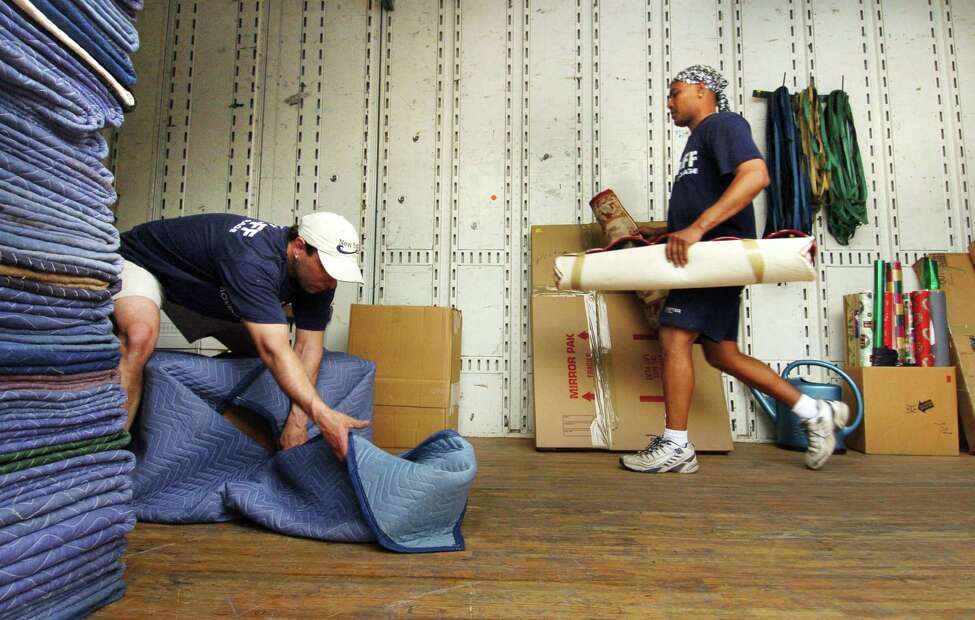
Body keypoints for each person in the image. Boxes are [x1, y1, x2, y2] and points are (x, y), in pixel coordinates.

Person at [620, 65, 848, 474]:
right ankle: (815, 410)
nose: (669, 102)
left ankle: (676, 446)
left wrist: (696, 230)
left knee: (674, 336)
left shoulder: (722, 124)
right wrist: (664, 232)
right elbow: (710, 199)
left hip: (712, 259)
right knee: (721, 353)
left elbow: (755, 175)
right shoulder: (700, 141)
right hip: (706, 255)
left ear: (703, 91)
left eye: (675, 93)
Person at [113, 211, 369, 460]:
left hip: (207, 291)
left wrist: (298, 422)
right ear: (299, 248)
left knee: (256, 357)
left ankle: (208, 420)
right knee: (139, 336)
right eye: (327, 269)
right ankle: (110, 454)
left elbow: (307, 348)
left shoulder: (322, 280)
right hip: (145, 262)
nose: (332, 282)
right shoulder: (253, 258)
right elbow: (274, 350)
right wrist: (324, 417)